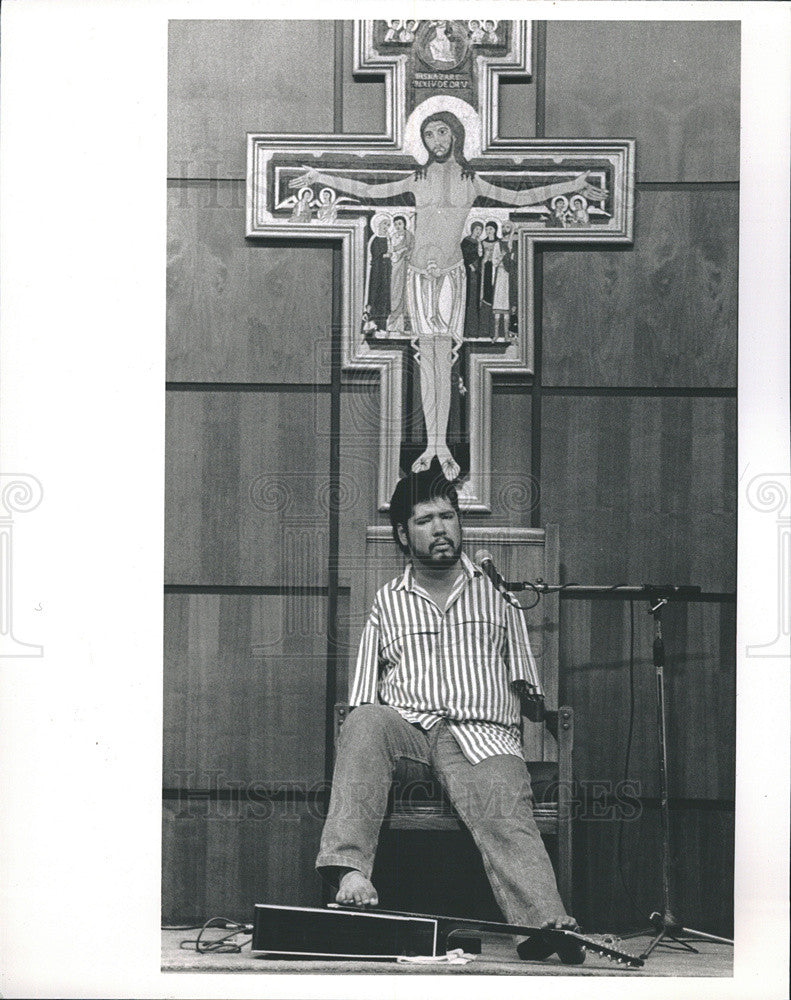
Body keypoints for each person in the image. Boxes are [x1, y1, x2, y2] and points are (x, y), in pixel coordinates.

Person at [315, 462, 584, 963]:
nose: (440, 528)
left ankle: (545, 925)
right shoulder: (387, 603)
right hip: (409, 733)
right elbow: (359, 697)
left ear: (460, 523)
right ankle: (347, 868)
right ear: (403, 534)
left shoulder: (497, 595)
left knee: (506, 803)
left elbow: (531, 690)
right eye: (424, 520)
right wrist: (363, 726)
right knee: (366, 720)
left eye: (448, 515)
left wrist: (526, 717)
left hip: (481, 734)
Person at [289, 111, 606, 480]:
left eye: (441, 133)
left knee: (445, 361)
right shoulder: (417, 178)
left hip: (453, 278)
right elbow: (369, 191)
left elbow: (521, 197)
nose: (435, 141)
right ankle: (433, 446)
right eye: (428, 135)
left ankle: (440, 445)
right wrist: (320, 176)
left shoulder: (472, 181)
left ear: (455, 135)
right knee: (428, 361)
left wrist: (571, 185)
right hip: (418, 275)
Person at [386, 215, 414, 334]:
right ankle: (394, 322)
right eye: (396, 224)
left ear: (404, 224)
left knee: (406, 291)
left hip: (406, 265)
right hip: (396, 266)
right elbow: (392, 251)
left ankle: (407, 324)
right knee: (396, 290)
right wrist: (395, 253)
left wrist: (405, 252)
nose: (398, 226)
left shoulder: (409, 236)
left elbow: (412, 249)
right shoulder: (393, 236)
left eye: (400, 223)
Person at [460, 221, 483, 338]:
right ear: (472, 229)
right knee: (469, 298)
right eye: (477, 229)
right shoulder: (466, 241)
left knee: (476, 299)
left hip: (478, 273)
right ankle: (466, 331)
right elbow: (463, 255)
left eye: (480, 230)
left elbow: (481, 256)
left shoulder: (480, 242)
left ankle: (475, 330)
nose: (478, 231)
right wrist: (471, 265)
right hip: (469, 272)